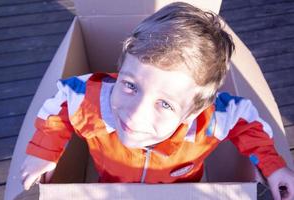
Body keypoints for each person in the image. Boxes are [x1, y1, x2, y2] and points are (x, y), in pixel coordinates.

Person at [20, 2, 294, 199]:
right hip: (111, 185)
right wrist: (43, 151)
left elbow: (245, 120)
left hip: (183, 191)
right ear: (121, 69)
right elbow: (61, 104)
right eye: (130, 85)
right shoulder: (90, 102)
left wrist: (274, 165)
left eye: (165, 104)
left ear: (191, 112)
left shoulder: (208, 122)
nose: (135, 115)